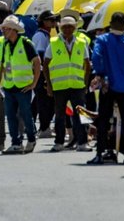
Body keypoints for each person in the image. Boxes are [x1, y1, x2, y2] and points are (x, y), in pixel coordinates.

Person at [88, 12, 124, 165]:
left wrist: (101, 75)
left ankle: (100, 153)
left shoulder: (102, 40)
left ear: (110, 23)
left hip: (107, 86)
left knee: (103, 120)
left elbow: (96, 58)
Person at [43, 16, 91, 152]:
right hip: (60, 86)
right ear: (60, 28)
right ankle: (59, 142)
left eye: (70, 26)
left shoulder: (82, 42)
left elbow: (87, 65)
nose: (68, 29)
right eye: (65, 27)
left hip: (77, 85)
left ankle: (83, 142)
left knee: (81, 114)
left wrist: (85, 84)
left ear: (75, 28)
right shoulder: (53, 42)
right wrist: (49, 85)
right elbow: (45, 64)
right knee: (59, 116)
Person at [0, 15, 40, 154]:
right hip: (9, 86)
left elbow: (37, 62)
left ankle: (31, 139)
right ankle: (16, 143)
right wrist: (0, 84)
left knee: (26, 114)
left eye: (5, 28)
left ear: (13, 30)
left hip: (23, 86)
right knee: (10, 115)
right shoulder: (6, 45)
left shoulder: (26, 43)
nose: (3, 31)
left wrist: (34, 83)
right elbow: (4, 65)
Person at [31, 10, 57, 138]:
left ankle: (34, 124)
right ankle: (44, 127)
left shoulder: (47, 35)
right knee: (44, 101)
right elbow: (41, 56)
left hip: (43, 72)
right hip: (41, 73)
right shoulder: (41, 36)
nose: (54, 23)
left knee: (40, 100)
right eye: (51, 20)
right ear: (44, 21)